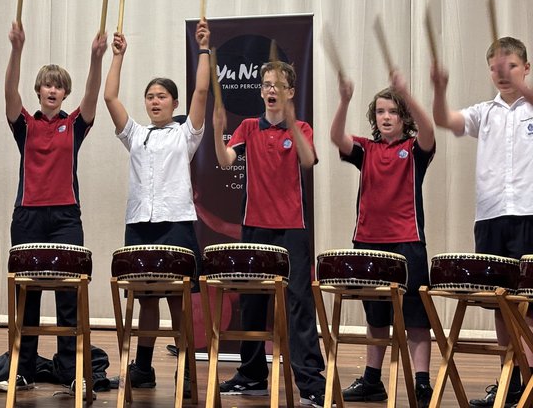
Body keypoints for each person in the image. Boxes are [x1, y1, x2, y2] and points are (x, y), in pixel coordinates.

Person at [0, 21, 107, 392]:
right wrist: (17, 48)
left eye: (59, 86)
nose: (53, 90)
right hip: (27, 217)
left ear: (64, 93)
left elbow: (93, 96)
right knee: (26, 296)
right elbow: (9, 91)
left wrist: (96, 57)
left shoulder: (74, 124)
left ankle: (71, 370)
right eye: (47, 84)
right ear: (39, 90)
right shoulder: (24, 124)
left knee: (68, 297)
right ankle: (22, 369)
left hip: (65, 219)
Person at [103, 20, 210, 396]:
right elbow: (110, 99)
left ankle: (185, 370)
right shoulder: (136, 134)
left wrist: (203, 50)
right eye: (150, 96)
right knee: (146, 300)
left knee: (178, 301)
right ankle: (143, 369)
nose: (155, 101)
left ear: (174, 103)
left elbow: (201, 90)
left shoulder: (186, 133)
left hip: (176, 224)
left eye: (162, 95)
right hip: (140, 226)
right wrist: (118, 56)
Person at [212, 60, 328, 406]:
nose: (271, 90)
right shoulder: (248, 127)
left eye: (278, 85)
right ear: (260, 91)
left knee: (299, 303)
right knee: (252, 301)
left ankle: (309, 380)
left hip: (292, 228)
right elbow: (225, 161)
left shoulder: (302, 127)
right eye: (266, 84)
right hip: (255, 226)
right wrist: (219, 132)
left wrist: (292, 125)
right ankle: (251, 376)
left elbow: (308, 161)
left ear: (290, 92)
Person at [432, 36, 533, 407]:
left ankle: (529, 382)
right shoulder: (484, 112)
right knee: (500, 302)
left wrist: (525, 90)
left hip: (528, 215)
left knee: (529, 303)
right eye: (495, 67)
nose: (502, 74)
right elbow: (446, 120)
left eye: (510, 66)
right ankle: (509, 379)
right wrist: (440, 90)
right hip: (490, 217)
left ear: (526, 67)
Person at [330, 71, 435, 408]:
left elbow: (429, 131)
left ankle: (422, 382)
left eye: (392, 111)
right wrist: (344, 100)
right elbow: (337, 137)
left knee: (417, 318)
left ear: (404, 117)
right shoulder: (366, 148)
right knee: (376, 318)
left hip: (408, 242)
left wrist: (407, 93)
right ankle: (373, 381)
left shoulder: (414, 149)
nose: (386, 117)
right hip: (368, 241)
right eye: (380, 112)